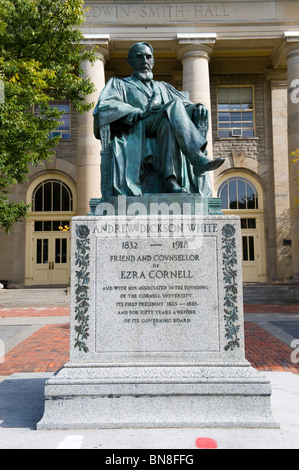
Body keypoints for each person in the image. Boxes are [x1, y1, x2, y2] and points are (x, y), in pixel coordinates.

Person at [93, 42, 224, 196]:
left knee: (168, 121)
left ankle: (170, 181)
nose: (145, 61)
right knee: (173, 106)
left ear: (153, 62)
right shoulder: (119, 84)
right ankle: (197, 157)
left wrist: (196, 109)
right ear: (130, 61)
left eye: (148, 57)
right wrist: (138, 113)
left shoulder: (162, 87)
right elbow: (105, 107)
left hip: (162, 127)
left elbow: (185, 107)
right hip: (137, 128)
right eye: (139, 56)